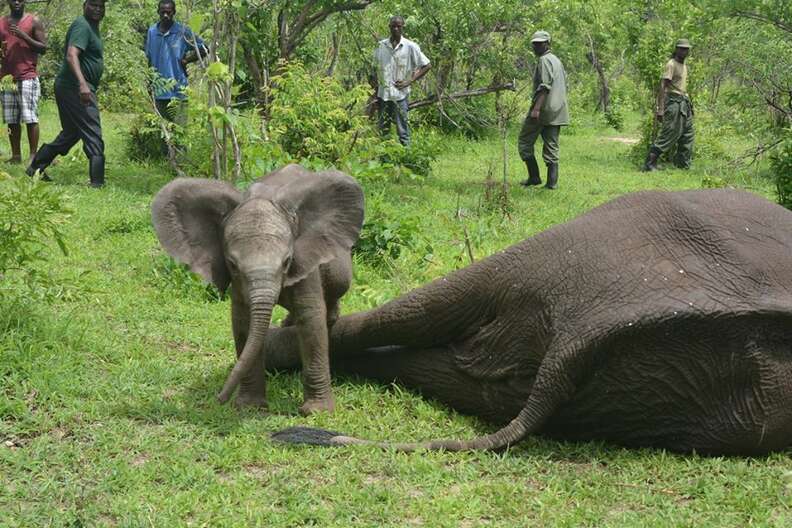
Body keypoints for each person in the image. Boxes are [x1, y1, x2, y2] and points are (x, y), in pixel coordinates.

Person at [26, 0, 106, 187]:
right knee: (93, 133)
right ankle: (97, 184)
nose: (98, 9)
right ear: (84, 5)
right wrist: (83, 84)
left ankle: (35, 167)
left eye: (101, 6)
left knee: (71, 133)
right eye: (93, 5)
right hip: (75, 87)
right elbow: (72, 55)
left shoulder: (91, 27)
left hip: (70, 86)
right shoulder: (82, 25)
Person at [518, 30, 569, 190]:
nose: (536, 46)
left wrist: (536, 109)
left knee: (525, 142)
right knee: (552, 147)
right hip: (558, 110)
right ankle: (551, 184)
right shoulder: (556, 60)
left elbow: (545, 86)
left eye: (539, 43)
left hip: (543, 110)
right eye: (534, 43)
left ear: (547, 43)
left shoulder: (544, 60)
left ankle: (534, 177)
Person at [0, 0, 47, 164]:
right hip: (6, 78)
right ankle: (16, 155)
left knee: (30, 117)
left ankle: (33, 155)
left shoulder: (33, 21)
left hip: (27, 75)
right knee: (11, 119)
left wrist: (23, 36)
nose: (17, 2)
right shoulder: (2, 22)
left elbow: (43, 48)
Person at [144, 0, 206, 124]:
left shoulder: (182, 31)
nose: (166, 15)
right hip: (159, 92)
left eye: (169, 12)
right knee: (164, 134)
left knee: (180, 132)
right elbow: (150, 59)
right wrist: (149, 83)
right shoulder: (152, 32)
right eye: (163, 12)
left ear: (174, 12)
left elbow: (204, 48)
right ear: (158, 12)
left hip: (179, 91)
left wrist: (186, 60)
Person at [373, 15, 431, 146]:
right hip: (383, 96)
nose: (395, 28)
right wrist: (375, 93)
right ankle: (384, 160)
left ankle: (407, 159)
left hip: (401, 96)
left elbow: (427, 65)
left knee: (402, 131)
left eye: (398, 26)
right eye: (393, 26)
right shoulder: (381, 46)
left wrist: (409, 81)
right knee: (383, 130)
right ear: (389, 27)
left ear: (403, 27)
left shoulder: (410, 46)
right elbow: (373, 70)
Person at [642, 39, 694, 172]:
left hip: (684, 102)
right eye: (682, 48)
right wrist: (660, 109)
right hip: (673, 102)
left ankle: (682, 165)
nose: (684, 51)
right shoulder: (671, 64)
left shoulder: (684, 65)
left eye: (686, 49)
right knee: (668, 134)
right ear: (676, 49)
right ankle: (649, 164)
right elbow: (663, 86)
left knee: (687, 134)